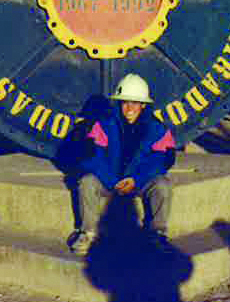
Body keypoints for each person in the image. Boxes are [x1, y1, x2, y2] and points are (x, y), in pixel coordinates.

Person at [69, 73, 176, 256]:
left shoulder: (158, 128)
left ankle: (157, 234)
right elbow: (92, 157)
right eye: (125, 102)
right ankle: (88, 233)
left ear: (143, 105)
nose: (129, 108)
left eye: (135, 102)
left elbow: (162, 160)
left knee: (163, 185)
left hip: (139, 183)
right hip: (110, 182)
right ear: (119, 103)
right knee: (87, 182)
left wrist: (136, 179)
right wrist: (112, 181)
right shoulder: (103, 125)